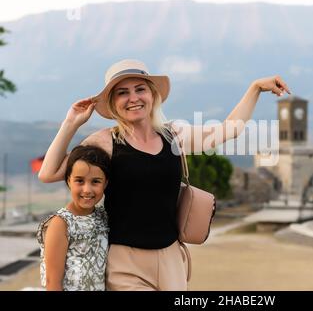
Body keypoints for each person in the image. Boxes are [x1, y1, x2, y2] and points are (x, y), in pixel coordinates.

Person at [38, 59, 290, 291]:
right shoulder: (106, 141)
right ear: (114, 103)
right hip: (125, 263)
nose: (133, 98)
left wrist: (255, 88)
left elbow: (228, 131)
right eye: (122, 93)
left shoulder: (174, 135)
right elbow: (49, 173)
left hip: (172, 259)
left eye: (140, 89)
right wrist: (71, 123)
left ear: (152, 94)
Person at [37, 145, 110, 291]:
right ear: (68, 180)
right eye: (79, 181)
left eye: (95, 181)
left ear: (106, 183)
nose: (87, 189)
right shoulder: (61, 223)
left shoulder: (103, 216)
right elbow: (53, 282)